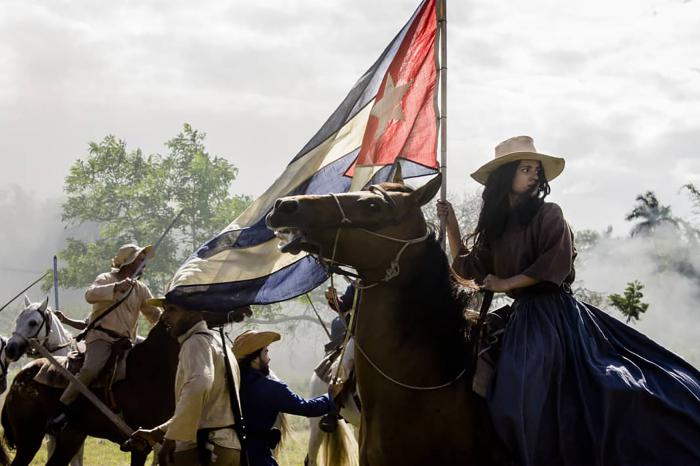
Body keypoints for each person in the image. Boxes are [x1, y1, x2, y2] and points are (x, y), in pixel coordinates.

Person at [438, 135, 700, 466]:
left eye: (536, 169)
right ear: (507, 175)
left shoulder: (549, 214)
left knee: (528, 390)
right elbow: (468, 268)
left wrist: (505, 282)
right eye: (526, 169)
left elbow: (553, 265)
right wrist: (451, 227)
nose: (534, 175)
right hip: (521, 316)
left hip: (552, 314)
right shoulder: (497, 227)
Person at [48, 243, 162, 432]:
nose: (144, 264)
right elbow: (90, 295)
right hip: (101, 338)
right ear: (128, 261)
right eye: (140, 259)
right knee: (90, 370)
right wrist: (117, 287)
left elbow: (153, 314)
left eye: (144, 260)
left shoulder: (141, 289)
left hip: (126, 342)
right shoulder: (105, 278)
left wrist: (168, 320)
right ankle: (62, 409)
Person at [130, 295, 242, 466]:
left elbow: (199, 386)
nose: (164, 316)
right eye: (165, 309)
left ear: (192, 313)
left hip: (203, 449)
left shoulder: (195, 342)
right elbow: (203, 409)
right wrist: (158, 432)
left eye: (172, 309)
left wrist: (170, 439)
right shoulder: (220, 343)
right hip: (227, 448)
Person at [233, 330, 336, 466]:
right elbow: (307, 408)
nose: (269, 358)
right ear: (254, 359)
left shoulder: (231, 385)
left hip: (234, 455)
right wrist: (331, 396)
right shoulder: (271, 388)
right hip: (259, 458)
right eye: (265, 352)